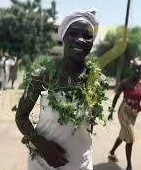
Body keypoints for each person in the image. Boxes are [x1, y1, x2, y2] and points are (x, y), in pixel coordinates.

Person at [15, 9, 100, 170]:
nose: (81, 40)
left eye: (88, 35)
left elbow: (90, 123)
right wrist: (41, 145)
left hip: (80, 163)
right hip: (42, 162)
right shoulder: (42, 75)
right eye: (73, 33)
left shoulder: (95, 80)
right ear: (64, 37)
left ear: (93, 41)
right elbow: (21, 117)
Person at [107, 57, 141, 170]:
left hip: (134, 112)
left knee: (124, 134)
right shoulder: (125, 82)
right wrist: (111, 112)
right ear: (131, 69)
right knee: (130, 138)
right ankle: (129, 166)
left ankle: (112, 152)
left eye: (140, 68)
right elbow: (116, 97)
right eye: (135, 68)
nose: (137, 70)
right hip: (124, 111)